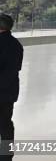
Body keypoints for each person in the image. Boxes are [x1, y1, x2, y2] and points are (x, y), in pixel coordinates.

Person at [0, 14, 23, 161]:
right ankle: (6, 156)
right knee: (6, 124)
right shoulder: (16, 45)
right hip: (9, 92)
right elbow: (16, 68)